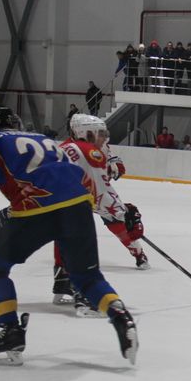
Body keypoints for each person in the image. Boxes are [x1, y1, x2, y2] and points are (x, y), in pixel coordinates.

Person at [0, 102, 137, 365]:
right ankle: (120, 315)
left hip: (37, 209)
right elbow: (78, 181)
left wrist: (14, 212)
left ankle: (10, 330)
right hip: (79, 207)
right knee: (86, 277)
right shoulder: (45, 139)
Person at [61, 114, 150, 272]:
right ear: (85, 133)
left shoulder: (98, 145)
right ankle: (66, 267)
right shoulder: (68, 150)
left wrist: (114, 165)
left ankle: (138, 254)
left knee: (118, 227)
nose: (103, 137)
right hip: (76, 198)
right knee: (74, 230)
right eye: (99, 133)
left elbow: (113, 161)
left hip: (97, 195)